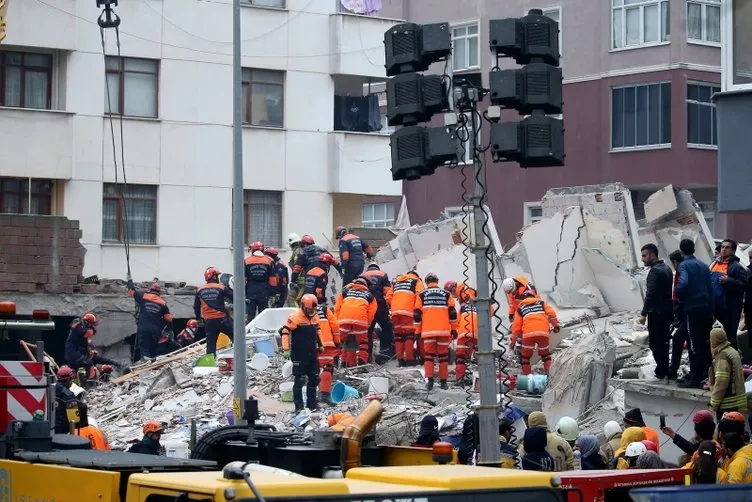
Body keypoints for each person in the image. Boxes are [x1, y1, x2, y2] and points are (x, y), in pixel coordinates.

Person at [675, 238, 714, 388]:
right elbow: (710, 289)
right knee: (704, 342)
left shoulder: (684, 265)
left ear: (682, 251)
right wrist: (711, 309)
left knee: (693, 344)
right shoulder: (704, 266)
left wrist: (679, 294)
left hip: (692, 309)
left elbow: (683, 284)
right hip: (705, 308)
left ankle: (694, 378)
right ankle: (704, 374)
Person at [414, 272, 457, 391]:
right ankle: (444, 382)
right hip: (443, 331)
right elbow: (452, 313)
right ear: (437, 281)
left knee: (429, 357)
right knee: (443, 357)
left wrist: (417, 331)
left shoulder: (421, 294)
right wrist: (453, 329)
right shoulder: (446, 294)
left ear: (427, 282)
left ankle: (430, 382)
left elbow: (417, 315)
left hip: (428, 332)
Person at [638, 243, 674, 380]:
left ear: (653, 255)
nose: (642, 259)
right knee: (664, 342)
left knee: (655, 343)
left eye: (644, 256)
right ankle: (664, 367)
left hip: (657, 313)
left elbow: (651, 294)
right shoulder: (667, 268)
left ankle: (661, 370)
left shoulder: (655, 271)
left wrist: (643, 313)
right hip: (667, 311)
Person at [280, 294, 322, 412]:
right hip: (299, 353)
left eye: (313, 309)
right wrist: (286, 348)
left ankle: (311, 405)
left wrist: (321, 344)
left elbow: (318, 331)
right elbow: (285, 331)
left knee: (314, 378)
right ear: (303, 306)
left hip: (312, 353)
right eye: (309, 309)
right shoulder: (295, 317)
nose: (311, 311)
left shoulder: (315, 317)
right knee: (300, 380)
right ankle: (299, 407)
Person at [710, 239, 748, 350]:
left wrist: (729, 280)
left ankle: (735, 363)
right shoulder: (714, 264)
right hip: (716, 308)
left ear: (733, 251)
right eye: (723, 247)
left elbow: (744, 285)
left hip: (730, 308)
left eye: (727, 247)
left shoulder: (737, 267)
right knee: (717, 336)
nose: (724, 249)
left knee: (730, 338)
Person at [510, 292, 559, 375]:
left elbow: (516, 328)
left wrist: (513, 342)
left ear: (523, 299)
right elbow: (552, 314)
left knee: (525, 357)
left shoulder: (520, 309)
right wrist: (556, 326)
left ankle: (527, 378)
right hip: (543, 333)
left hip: (528, 335)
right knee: (545, 355)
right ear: (534, 296)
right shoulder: (541, 303)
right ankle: (550, 375)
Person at [65, 313, 119, 385]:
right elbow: (88, 333)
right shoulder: (78, 327)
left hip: (79, 354)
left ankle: (116, 364)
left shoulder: (83, 338)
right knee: (89, 364)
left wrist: (114, 363)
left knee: (96, 361)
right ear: (88, 322)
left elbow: (98, 357)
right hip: (73, 354)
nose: (93, 326)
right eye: (92, 324)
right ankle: (90, 383)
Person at [127, 279, 174, 362]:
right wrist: (169, 331)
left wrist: (129, 281)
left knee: (144, 348)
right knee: (154, 349)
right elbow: (169, 319)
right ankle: (154, 364)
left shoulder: (143, 297)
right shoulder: (163, 303)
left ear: (150, 290)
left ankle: (146, 365)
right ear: (159, 292)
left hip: (143, 328)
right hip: (155, 330)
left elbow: (131, 291)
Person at [335, 276, 377, 367]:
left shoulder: (345, 292)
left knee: (340, 341)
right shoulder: (370, 296)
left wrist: (338, 320)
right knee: (363, 343)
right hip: (361, 321)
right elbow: (372, 312)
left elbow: (337, 307)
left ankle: (336, 362)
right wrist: (367, 323)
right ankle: (362, 363)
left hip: (344, 320)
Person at [709, 325, 748, 420]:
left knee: (725, 432)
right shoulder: (732, 351)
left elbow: (721, 384)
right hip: (736, 402)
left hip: (727, 404)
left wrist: (713, 404)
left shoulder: (722, 356)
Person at [193, 266, 233, 355]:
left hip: (209, 321)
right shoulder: (221, 287)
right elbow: (234, 297)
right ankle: (241, 357)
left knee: (211, 344)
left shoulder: (199, 290)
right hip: (222, 319)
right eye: (217, 276)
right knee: (235, 336)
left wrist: (199, 318)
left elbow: (196, 307)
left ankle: (211, 364)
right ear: (214, 277)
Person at [391, 270, 424, 367]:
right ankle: (410, 360)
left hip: (395, 312)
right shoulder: (416, 281)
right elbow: (420, 295)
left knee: (399, 337)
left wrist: (395, 306)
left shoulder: (397, 281)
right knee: (409, 335)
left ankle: (400, 360)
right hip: (408, 311)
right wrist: (417, 309)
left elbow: (388, 296)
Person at [363, 263, 394, 364]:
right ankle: (385, 354)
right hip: (380, 306)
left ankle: (367, 357)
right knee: (387, 329)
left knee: (368, 332)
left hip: (367, 306)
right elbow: (387, 292)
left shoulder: (363, 275)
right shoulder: (382, 274)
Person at [244, 241, 277, 322]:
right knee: (263, 314)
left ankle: (249, 331)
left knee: (250, 314)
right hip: (264, 290)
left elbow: (243, 279)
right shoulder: (269, 261)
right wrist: (273, 293)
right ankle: (263, 331)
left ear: (252, 250)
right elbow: (272, 279)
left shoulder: (246, 261)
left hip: (250, 290)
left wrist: (244, 292)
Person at [668, 250, 688, 380]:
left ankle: (673, 369)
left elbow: (679, 292)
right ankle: (673, 369)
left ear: (675, 262)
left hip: (684, 311)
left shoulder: (683, 272)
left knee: (678, 339)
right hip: (682, 311)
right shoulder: (683, 271)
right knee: (679, 339)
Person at [316, 301, 339, 405]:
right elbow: (334, 326)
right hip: (326, 343)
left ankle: (312, 395)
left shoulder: (301, 313)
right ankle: (324, 394)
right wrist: (337, 341)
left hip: (311, 345)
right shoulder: (325, 310)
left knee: (312, 369)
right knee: (327, 367)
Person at [291, 235, 326, 305]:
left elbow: (297, 269)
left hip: (310, 277)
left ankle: (306, 312)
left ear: (304, 244)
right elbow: (332, 260)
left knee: (306, 298)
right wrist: (340, 270)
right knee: (320, 295)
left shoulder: (302, 253)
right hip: (323, 276)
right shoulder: (322, 250)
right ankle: (321, 309)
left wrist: (293, 280)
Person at [454, 292, 478, 386]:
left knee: (461, 357)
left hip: (464, 332)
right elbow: (490, 314)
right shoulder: (483, 306)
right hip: (478, 333)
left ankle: (459, 380)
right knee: (481, 357)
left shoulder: (463, 306)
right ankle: (482, 379)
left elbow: (458, 321)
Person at [54, 366, 79, 434]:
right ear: (68, 380)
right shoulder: (69, 396)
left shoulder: (50, 390)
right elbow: (74, 419)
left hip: (49, 429)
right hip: (63, 432)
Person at [287, 233, 302, 306]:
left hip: (299, 282)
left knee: (291, 299)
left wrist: (293, 281)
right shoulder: (299, 251)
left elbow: (297, 267)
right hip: (300, 281)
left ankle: (296, 315)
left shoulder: (297, 252)